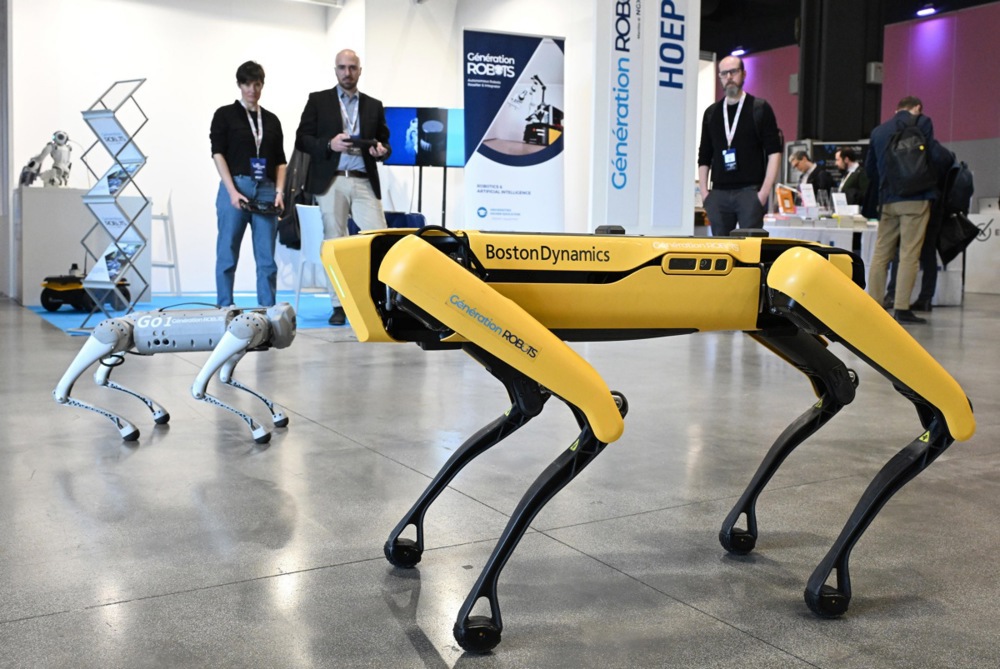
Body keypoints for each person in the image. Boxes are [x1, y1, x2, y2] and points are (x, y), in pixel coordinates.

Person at [296, 49, 391, 325]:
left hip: (363, 179)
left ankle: (379, 301)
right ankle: (339, 305)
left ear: (360, 70)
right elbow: (302, 139)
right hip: (332, 179)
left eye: (352, 67)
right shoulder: (318, 100)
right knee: (334, 241)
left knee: (380, 238)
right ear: (335, 70)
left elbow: (385, 143)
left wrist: (381, 151)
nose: (347, 73)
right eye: (342, 67)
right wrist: (329, 144)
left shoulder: (374, 105)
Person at [210, 60, 286, 308]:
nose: (252, 89)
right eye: (247, 84)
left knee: (266, 257)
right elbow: (218, 153)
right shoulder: (224, 115)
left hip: (265, 189)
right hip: (237, 186)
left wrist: (279, 192)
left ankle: (267, 310)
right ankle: (224, 306)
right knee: (227, 251)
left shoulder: (272, 120)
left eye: (257, 84)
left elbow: (281, 162)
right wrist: (232, 192)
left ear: (262, 85)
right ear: (239, 85)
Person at [865, 96, 938, 324]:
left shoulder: (878, 131)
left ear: (896, 109)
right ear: (917, 107)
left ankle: (874, 305)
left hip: (887, 199)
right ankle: (902, 308)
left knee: (880, 253)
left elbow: (870, 168)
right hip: (916, 197)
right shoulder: (922, 122)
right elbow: (932, 157)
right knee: (909, 254)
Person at [698, 56, 782, 237]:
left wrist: (763, 193)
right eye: (724, 73)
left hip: (750, 192)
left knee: (750, 250)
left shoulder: (759, 108)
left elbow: (774, 152)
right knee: (721, 252)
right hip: (718, 193)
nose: (729, 77)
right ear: (719, 76)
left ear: (743, 74)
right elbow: (704, 155)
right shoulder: (712, 113)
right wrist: (705, 194)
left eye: (733, 72)